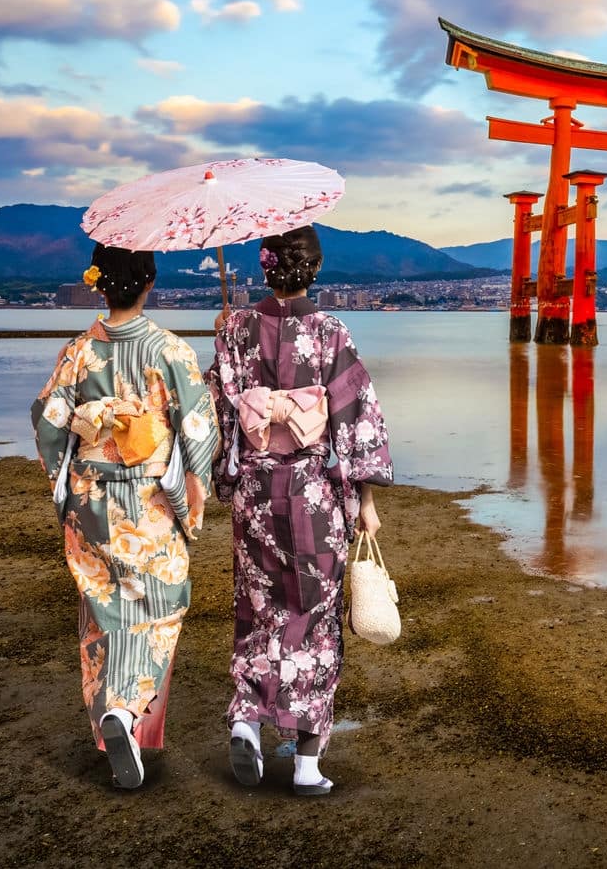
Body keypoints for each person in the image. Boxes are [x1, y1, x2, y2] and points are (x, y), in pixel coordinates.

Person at [206, 224, 392, 795]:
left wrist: (226, 473)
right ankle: (308, 762)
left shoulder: (235, 328)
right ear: (313, 269)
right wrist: (366, 499)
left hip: (257, 492)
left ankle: (246, 719)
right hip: (313, 492)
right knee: (314, 616)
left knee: (259, 605)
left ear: (265, 267)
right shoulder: (331, 330)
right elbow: (357, 417)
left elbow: (219, 413)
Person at [29, 243, 219, 790]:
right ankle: (127, 712)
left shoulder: (78, 351)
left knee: (103, 608)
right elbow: (200, 429)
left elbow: (47, 421)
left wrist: (64, 486)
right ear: (150, 282)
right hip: (150, 501)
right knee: (161, 607)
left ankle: (114, 715)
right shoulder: (170, 351)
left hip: (91, 500)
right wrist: (195, 490)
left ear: (100, 284)